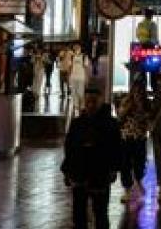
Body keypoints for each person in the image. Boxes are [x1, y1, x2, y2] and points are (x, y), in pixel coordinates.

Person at [62, 84, 123, 228]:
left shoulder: (110, 124)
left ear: (100, 101)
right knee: (79, 213)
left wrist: (114, 169)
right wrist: (67, 170)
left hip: (100, 173)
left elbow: (117, 147)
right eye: (88, 101)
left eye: (93, 101)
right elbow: (70, 147)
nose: (90, 105)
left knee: (100, 212)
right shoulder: (77, 123)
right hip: (79, 172)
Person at [118, 82, 151, 203]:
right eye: (135, 91)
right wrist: (129, 107)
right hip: (127, 136)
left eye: (140, 91)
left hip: (140, 137)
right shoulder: (126, 101)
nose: (137, 94)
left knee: (139, 162)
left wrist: (142, 112)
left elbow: (148, 119)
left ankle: (139, 181)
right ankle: (127, 190)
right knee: (125, 164)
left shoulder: (146, 104)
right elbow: (120, 116)